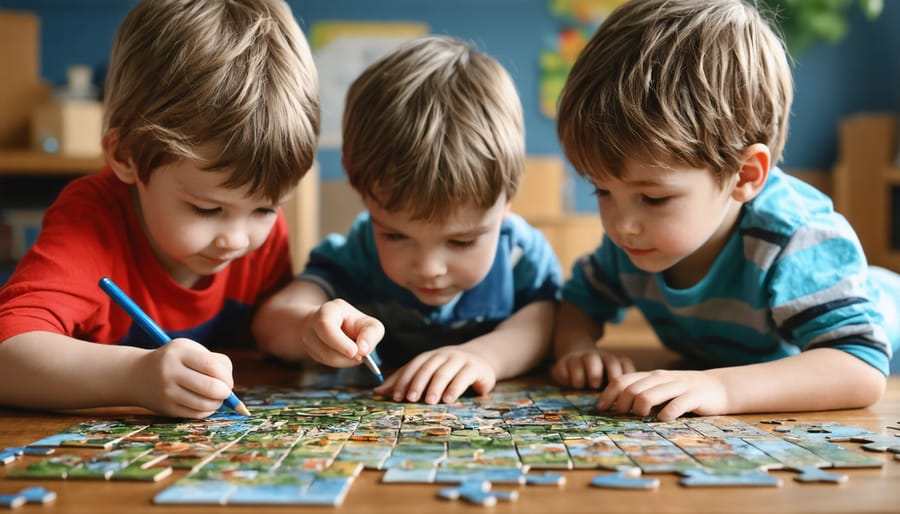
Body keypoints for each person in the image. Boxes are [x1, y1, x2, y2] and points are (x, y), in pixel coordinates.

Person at [551, 0, 899, 421]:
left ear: (745, 175)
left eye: (654, 198)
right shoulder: (631, 241)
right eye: (601, 192)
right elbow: (578, 303)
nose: (621, 225)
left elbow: (859, 366)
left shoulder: (797, 237)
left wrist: (719, 385)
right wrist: (577, 350)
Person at [0, 0, 319, 419]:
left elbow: (269, 335)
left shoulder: (257, 233)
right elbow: (7, 354)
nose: (238, 239)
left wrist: (310, 328)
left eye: (265, 209)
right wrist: (135, 375)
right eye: (207, 209)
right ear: (127, 157)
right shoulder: (93, 221)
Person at [254, 35, 562, 405]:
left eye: (461, 241)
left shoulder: (519, 255)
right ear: (365, 197)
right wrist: (309, 327)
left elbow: (546, 321)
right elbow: (271, 324)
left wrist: (484, 357)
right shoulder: (359, 251)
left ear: (506, 202)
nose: (429, 268)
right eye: (396, 236)